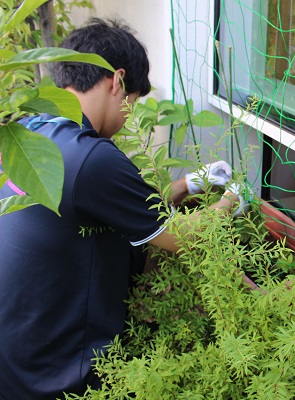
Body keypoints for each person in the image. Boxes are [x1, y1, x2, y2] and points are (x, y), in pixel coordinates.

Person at [0, 18, 246, 399]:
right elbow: (182, 239)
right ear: (116, 81)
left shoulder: (30, 130)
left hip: (16, 355)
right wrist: (232, 199)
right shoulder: (92, 157)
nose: (129, 116)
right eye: (133, 101)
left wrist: (185, 184)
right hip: (59, 377)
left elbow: (119, 207)